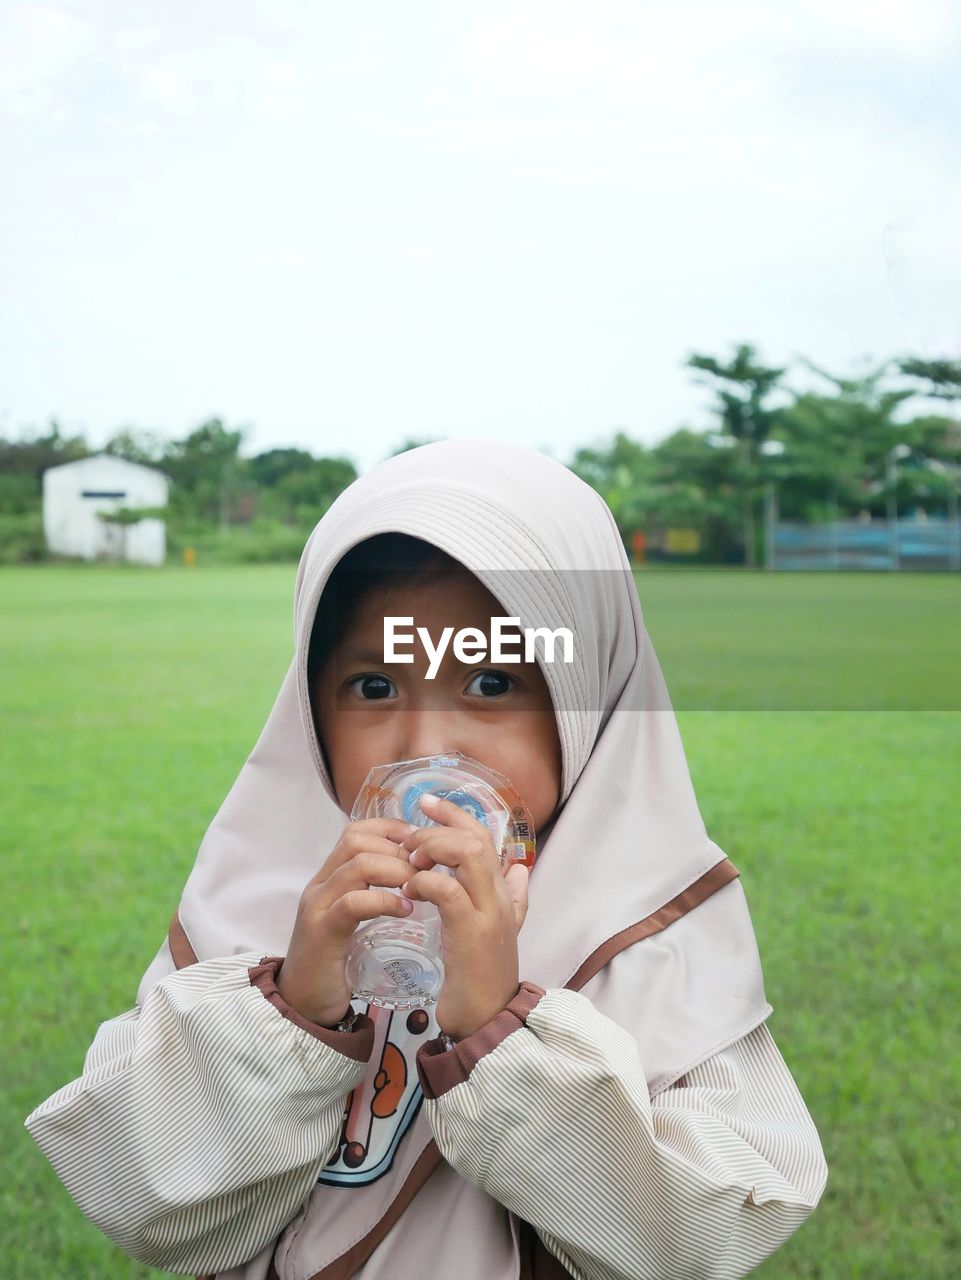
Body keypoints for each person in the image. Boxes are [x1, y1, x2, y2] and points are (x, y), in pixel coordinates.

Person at [25, 439, 828, 1280]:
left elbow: (701, 1242)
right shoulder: (263, 890)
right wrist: (291, 1006)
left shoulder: (653, 918)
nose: (426, 746)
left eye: (489, 684)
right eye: (373, 687)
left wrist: (499, 1027)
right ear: (309, 703)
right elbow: (146, 1202)